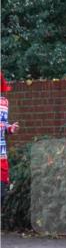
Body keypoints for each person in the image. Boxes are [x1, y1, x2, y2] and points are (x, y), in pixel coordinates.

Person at [0, 72, 19, 204]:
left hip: (1, 152)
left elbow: (3, 123)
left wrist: (10, 128)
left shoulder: (4, 102)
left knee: (2, 192)